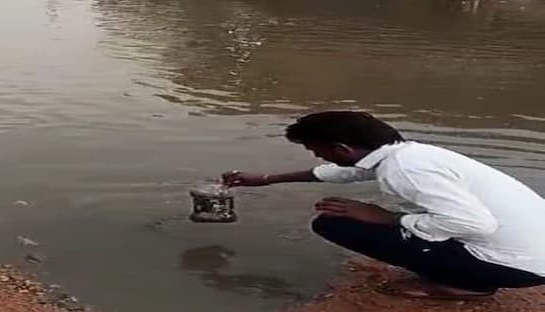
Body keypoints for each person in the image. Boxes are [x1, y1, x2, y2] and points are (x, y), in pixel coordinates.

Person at [222, 111, 545, 299]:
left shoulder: (404, 170)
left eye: (314, 149)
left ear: (342, 147)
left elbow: (476, 225)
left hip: (517, 267)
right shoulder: (408, 153)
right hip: (531, 253)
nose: (316, 156)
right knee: (388, 218)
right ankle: (464, 271)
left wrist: (389, 218)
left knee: (333, 222)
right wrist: (267, 179)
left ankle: (465, 284)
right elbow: (348, 172)